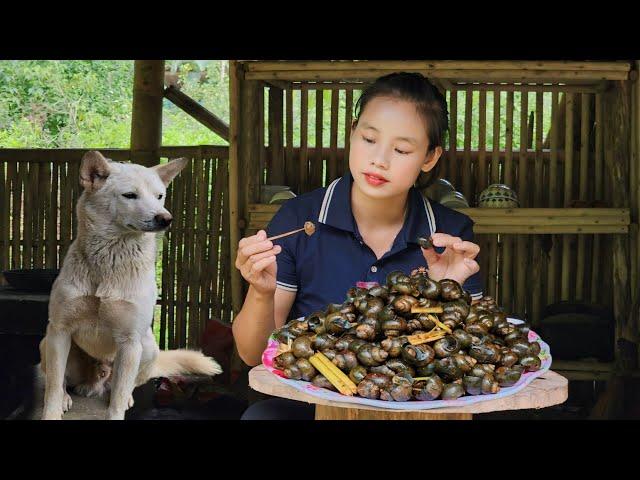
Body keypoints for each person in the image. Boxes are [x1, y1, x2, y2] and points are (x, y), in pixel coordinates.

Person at [232, 72, 483, 419]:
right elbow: (252, 353)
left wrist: (447, 290)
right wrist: (260, 293)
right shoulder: (297, 219)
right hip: (314, 404)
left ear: (429, 157)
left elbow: (473, 366)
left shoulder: (450, 235)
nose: (379, 159)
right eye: (368, 139)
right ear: (352, 133)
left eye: (402, 149)